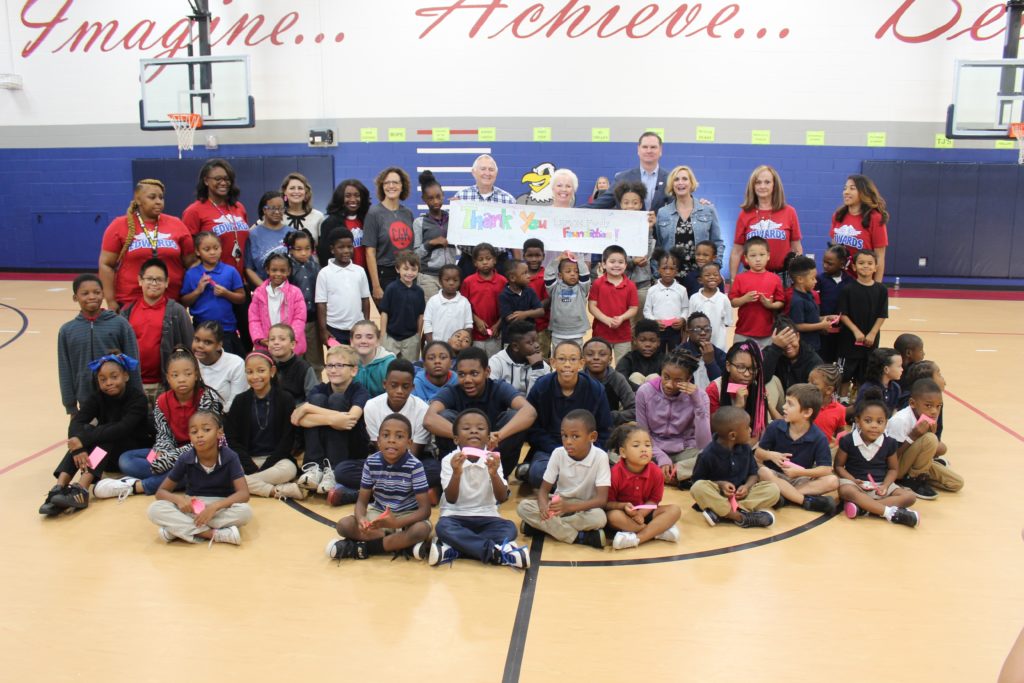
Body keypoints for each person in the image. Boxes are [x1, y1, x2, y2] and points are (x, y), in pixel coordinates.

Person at [39, 352, 150, 516]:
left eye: (114, 377)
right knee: (86, 434)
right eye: (103, 379)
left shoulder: (138, 398)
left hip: (131, 452)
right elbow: (77, 421)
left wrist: (82, 439)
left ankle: (82, 489)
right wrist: (77, 448)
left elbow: (122, 428)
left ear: (125, 376)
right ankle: (59, 488)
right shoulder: (98, 397)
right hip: (107, 456)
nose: (109, 383)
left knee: (100, 435)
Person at [114, 346, 223, 498]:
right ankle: (173, 478)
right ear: (168, 378)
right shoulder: (162, 400)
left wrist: (169, 459)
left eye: (188, 374)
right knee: (126, 460)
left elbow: (205, 439)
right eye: (175, 375)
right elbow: (164, 435)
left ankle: (138, 486)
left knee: (196, 470)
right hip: (172, 455)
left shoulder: (206, 397)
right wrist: (162, 452)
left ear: (196, 374)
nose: (182, 379)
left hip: (202, 454)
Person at [324, 414, 433, 562]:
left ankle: (365, 548)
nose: (392, 440)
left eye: (399, 436)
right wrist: (361, 518)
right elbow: (362, 502)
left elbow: (425, 510)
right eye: (386, 435)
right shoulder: (371, 462)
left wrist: (397, 523)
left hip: (407, 516)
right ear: (378, 441)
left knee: (421, 529)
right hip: (379, 514)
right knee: (344, 525)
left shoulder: (415, 466)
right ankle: (400, 544)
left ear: (409, 443)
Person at [432, 409, 530, 568]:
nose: (473, 431)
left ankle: (457, 549)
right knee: (443, 528)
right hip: (455, 517)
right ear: (456, 439)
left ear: (488, 437)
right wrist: (457, 473)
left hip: (487, 517)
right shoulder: (449, 460)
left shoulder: (493, 459)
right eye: (466, 428)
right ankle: (495, 552)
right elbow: (451, 498)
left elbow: (501, 498)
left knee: (510, 528)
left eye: (480, 428)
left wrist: (494, 474)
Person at [423, 347, 536, 479]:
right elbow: (429, 419)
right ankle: (454, 476)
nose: (467, 380)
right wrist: (463, 437)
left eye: (474, 373)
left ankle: (498, 477)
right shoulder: (452, 391)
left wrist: (498, 436)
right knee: (444, 416)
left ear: (487, 372)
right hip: (461, 457)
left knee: (514, 417)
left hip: (493, 449)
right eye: (462, 374)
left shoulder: (499, 387)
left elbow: (530, 412)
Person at [147, 410, 252, 545]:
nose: (200, 435)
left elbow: (244, 494)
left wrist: (215, 507)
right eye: (194, 432)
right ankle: (213, 534)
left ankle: (177, 530)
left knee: (245, 512)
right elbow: (160, 492)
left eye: (206, 430)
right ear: (189, 437)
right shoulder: (185, 458)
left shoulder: (230, 457)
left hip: (220, 506)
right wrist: (178, 499)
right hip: (194, 506)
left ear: (219, 433)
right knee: (154, 509)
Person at [521, 341, 613, 488]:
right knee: (538, 473)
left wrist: (589, 452)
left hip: (586, 450)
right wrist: (559, 451)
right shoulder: (542, 387)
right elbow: (532, 429)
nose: (567, 364)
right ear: (553, 362)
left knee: (610, 476)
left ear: (581, 363)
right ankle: (577, 485)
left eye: (573, 359)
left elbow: (605, 429)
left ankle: (571, 484)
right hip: (550, 450)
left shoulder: (596, 389)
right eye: (562, 359)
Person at [181, 160, 250, 348]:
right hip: (214, 288)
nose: (223, 183)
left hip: (238, 283)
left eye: (227, 179)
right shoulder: (194, 211)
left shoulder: (239, 207)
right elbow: (188, 252)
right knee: (216, 342)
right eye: (218, 178)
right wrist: (205, 276)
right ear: (205, 181)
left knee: (246, 340)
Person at [516, 409, 610, 549]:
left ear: (592, 437)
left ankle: (539, 527)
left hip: (584, 507)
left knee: (600, 518)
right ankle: (578, 537)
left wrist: (569, 507)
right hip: (558, 503)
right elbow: (543, 491)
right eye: (564, 436)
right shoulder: (558, 453)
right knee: (523, 507)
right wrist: (543, 507)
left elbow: (601, 500)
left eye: (575, 436)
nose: (568, 441)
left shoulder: (601, 457)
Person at [98, 178, 194, 310]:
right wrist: (111, 301)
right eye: (152, 197)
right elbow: (106, 264)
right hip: (130, 302)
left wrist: (188, 295)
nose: (158, 202)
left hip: (170, 302)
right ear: (138, 200)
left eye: (161, 197)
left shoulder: (176, 224)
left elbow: (191, 263)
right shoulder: (119, 225)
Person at [58, 274, 142, 416]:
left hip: (119, 401)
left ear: (103, 294)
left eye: (96, 292)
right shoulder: (67, 331)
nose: (92, 297)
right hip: (86, 402)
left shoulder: (120, 324)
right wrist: (70, 406)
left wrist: (137, 398)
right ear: (75, 297)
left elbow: (133, 364)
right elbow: (65, 370)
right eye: (85, 293)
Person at [835, 389, 919, 527]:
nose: (874, 425)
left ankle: (865, 508)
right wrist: (852, 480)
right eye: (868, 421)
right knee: (845, 490)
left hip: (880, 486)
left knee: (910, 497)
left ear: (886, 423)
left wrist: (885, 485)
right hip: (856, 487)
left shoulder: (889, 442)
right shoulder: (848, 440)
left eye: (880, 422)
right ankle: (888, 512)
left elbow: (893, 469)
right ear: (858, 421)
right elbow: (838, 466)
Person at [224, 352, 301, 500]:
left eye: (261, 371)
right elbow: (232, 439)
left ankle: (242, 484)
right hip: (247, 460)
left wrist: (266, 466)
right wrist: (249, 465)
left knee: (289, 469)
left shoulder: (285, 399)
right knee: (228, 470)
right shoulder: (240, 401)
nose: (255, 376)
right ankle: (278, 490)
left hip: (277, 461)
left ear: (272, 372)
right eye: (249, 372)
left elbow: (288, 439)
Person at [293, 344, 369, 493]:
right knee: (318, 398)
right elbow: (299, 420)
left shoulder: (360, 390)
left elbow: (350, 419)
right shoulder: (319, 389)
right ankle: (314, 468)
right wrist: (332, 420)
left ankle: (333, 471)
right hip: (325, 445)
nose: (333, 370)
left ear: (353, 370)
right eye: (330, 365)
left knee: (337, 399)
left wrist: (308, 408)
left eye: (340, 365)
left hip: (352, 449)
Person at [754, 383, 838, 513]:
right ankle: (804, 501)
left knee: (832, 481)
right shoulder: (775, 426)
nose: (784, 407)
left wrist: (800, 473)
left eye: (790, 404)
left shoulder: (818, 436)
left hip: (799, 480)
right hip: (774, 476)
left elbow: (826, 469)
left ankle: (784, 497)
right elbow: (758, 453)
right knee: (762, 472)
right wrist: (771, 455)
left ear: (807, 412)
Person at [690, 406, 780, 528]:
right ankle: (740, 517)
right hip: (718, 496)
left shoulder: (746, 449)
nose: (750, 430)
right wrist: (720, 484)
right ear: (732, 435)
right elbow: (696, 482)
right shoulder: (707, 455)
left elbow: (753, 474)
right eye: (747, 427)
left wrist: (747, 487)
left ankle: (721, 512)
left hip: (740, 498)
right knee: (698, 488)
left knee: (773, 489)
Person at [635, 348, 712, 487]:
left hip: (685, 451)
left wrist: (697, 403)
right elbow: (642, 434)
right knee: (621, 452)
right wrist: (661, 456)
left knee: (711, 457)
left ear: (688, 379)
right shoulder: (645, 392)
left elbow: (704, 443)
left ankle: (660, 474)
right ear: (661, 373)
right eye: (666, 377)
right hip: (651, 448)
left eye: (678, 380)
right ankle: (675, 475)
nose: (669, 384)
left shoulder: (700, 396)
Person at [120, 258, 193, 406]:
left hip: (166, 386)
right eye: (149, 279)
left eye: (159, 279)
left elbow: (189, 347)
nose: (154, 283)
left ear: (167, 282)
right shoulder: (126, 312)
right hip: (135, 386)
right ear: (140, 280)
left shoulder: (177, 312)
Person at [604, 424, 682, 549]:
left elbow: (654, 500)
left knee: (675, 510)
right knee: (612, 516)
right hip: (624, 516)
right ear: (623, 452)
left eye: (647, 445)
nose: (644, 449)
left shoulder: (656, 472)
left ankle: (637, 539)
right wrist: (624, 507)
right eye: (636, 445)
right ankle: (656, 531)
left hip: (645, 514)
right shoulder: (614, 474)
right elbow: (607, 504)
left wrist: (641, 514)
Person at [885, 378, 964, 498]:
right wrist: (913, 436)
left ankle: (920, 474)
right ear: (912, 403)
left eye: (938, 406)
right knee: (930, 439)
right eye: (928, 405)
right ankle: (913, 480)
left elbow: (935, 448)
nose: (934, 411)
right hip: (893, 468)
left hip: (911, 462)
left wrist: (930, 441)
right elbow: (891, 457)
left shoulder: (927, 415)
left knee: (956, 483)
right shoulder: (901, 420)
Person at [730, 165, 803, 282]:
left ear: (775, 185)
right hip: (750, 276)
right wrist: (733, 279)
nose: (762, 186)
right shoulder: (745, 214)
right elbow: (737, 251)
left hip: (782, 277)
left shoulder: (789, 212)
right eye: (758, 182)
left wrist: (798, 277)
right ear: (752, 186)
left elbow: (796, 248)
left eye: (767, 182)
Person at [180, 231, 246, 357]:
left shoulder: (230, 271)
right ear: (198, 252)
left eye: (216, 248)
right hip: (201, 331)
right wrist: (198, 291)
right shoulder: (191, 274)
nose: (212, 252)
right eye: (207, 249)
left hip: (226, 330)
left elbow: (241, 298)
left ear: (221, 249)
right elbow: (184, 302)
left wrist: (226, 293)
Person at [450, 154, 518, 271]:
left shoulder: (508, 200)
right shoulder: (461, 197)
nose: (487, 173)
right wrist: (455, 211)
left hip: (500, 262)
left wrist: (517, 264)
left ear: (496, 174)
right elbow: (453, 230)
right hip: (469, 261)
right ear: (473, 172)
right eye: (483, 169)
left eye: (491, 170)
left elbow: (516, 236)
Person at [654, 165, 724, 277]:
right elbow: (658, 245)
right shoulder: (663, 213)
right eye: (676, 179)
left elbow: (717, 243)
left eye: (685, 179)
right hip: (671, 277)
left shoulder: (707, 210)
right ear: (672, 184)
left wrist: (715, 266)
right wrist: (657, 273)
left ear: (692, 183)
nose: (680, 182)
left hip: (701, 276)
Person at [838, 250, 888, 392]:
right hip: (849, 340)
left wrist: (872, 333)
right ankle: (843, 400)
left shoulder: (881, 290)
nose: (865, 266)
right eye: (861, 263)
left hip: (870, 341)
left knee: (865, 374)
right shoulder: (847, 289)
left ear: (876, 267)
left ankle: (858, 398)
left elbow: (882, 314)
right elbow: (843, 314)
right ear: (854, 267)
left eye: (870, 263)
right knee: (845, 374)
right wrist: (855, 331)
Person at [364, 167, 415, 304]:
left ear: (402, 186)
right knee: (391, 321)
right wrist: (376, 286)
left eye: (395, 182)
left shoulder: (408, 213)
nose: (391, 186)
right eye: (386, 183)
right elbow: (370, 253)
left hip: (407, 273)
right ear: (382, 186)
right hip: (384, 275)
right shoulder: (373, 214)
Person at [315, 228, 371, 346]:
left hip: (357, 328)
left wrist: (366, 324)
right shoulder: (324, 273)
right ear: (332, 249)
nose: (346, 251)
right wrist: (323, 330)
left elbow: (365, 300)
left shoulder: (360, 271)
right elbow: (321, 304)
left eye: (349, 247)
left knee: (358, 362)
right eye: (341, 247)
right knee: (339, 362)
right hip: (334, 329)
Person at [706, 340, 770, 443]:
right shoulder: (714, 389)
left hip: (751, 443)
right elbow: (714, 429)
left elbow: (758, 429)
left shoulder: (757, 386)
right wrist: (738, 407)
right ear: (728, 366)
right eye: (741, 367)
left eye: (753, 368)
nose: (747, 374)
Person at [590, 131, 670, 212]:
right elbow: (601, 204)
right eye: (645, 147)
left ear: (660, 150)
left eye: (653, 147)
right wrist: (577, 212)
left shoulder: (670, 179)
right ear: (638, 149)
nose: (649, 151)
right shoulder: (622, 178)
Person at [830, 174, 889, 281]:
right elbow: (833, 249)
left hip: (862, 281)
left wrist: (877, 287)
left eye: (852, 188)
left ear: (863, 192)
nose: (846, 192)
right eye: (845, 188)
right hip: (839, 280)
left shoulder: (875, 218)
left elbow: (879, 256)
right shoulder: (838, 215)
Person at [729, 237, 784, 348]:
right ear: (746, 258)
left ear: (768, 256)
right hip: (743, 332)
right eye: (753, 256)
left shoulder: (775, 279)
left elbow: (781, 302)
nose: (758, 259)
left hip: (767, 333)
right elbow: (733, 302)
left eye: (762, 255)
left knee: (766, 363)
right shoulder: (740, 278)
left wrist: (770, 305)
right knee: (740, 361)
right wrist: (744, 299)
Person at [248, 252, 307, 355]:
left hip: (290, 347)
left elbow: (299, 319)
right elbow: (254, 319)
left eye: (282, 270)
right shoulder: (259, 293)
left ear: (289, 271)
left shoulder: (295, 292)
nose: (278, 274)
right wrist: (261, 339)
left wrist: (288, 339)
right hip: (267, 345)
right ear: (267, 270)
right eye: (274, 270)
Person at [589, 245, 640, 362]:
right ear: (603, 264)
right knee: (600, 364)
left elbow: (633, 308)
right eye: (612, 262)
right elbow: (592, 306)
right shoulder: (597, 283)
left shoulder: (631, 285)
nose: (616, 265)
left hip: (623, 335)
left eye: (621, 262)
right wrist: (606, 319)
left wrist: (622, 318)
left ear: (626, 265)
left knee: (623, 365)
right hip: (601, 333)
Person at [615, 181, 656, 323]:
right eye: (626, 203)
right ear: (621, 204)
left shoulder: (646, 226)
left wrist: (649, 230)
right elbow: (612, 257)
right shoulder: (614, 227)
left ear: (640, 204)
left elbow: (648, 255)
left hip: (642, 284)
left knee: (640, 324)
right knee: (623, 323)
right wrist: (632, 262)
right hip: (619, 283)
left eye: (635, 203)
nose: (630, 206)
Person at [412, 170, 456, 301]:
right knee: (431, 315)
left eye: (438, 196)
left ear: (443, 195)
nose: (435, 201)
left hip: (450, 275)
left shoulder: (453, 218)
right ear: (424, 199)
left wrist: (461, 209)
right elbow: (415, 255)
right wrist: (431, 243)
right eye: (430, 198)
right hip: (428, 277)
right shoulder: (419, 222)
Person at [285, 229, 323, 376]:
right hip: (293, 322)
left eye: (307, 249)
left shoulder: (315, 266)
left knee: (315, 359)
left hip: (313, 320)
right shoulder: (287, 268)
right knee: (295, 358)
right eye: (298, 249)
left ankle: (317, 388)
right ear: (290, 249)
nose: (303, 253)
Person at [378, 250, 425, 361]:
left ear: (418, 270)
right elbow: (384, 313)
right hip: (391, 337)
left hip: (411, 339)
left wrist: (418, 335)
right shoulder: (391, 288)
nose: (409, 273)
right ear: (397, 269)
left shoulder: (419, 291)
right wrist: (383, 335)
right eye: (406, 269)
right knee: (388, 369)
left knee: (409, 369)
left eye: (414, 269)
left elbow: (420, 315)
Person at [461, 242, 507, 356]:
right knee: (477, 363)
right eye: (481, 259)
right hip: (475, 335)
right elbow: (463, 306)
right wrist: (476, 319)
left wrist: (498, 324)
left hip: (496, 334)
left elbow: (508, 306)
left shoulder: (503, 281)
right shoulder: (468, 282)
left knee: (493, 366)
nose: (485, 262)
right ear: (475, 263)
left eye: (488, 258)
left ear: (495, 260)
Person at [191, 321, 246, 411]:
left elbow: (236, 403)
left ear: (219, 345)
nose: (200, 345)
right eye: (197, 340)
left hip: (226, 419)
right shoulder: (188, 363)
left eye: (207, 342)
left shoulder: (236, 364)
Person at [787, 255, 838, 353]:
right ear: (800, 279)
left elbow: (810, 318)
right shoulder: (797, 300)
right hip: (804, 348)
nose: (816, 281)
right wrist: (821, 326)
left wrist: (826, 318)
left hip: (814, 344)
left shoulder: (809, 294)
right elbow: (798, 325)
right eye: (813, 278)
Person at [244, 191, 293, 288]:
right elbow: (248, 268)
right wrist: (266, 289)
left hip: (289, 292)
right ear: (264, 210)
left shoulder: (292, 234)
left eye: (281, 208)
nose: (277, 212)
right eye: (272, 208)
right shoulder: (253, 235)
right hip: (263, 292)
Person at [762, 318, 825, 393]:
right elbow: (762, 380)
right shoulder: (771, 352)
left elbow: (817, 393)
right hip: (780, 400)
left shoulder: (813, 360)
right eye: (784, 343)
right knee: (771, 382)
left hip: (802, 400)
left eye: (791, 340)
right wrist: (775, 349)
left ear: (798, 336)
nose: (788, 346)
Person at [581, 338, 635, 426]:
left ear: (610, 359)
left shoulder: (617, 378)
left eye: (602, 354)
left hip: (610, 427)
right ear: (583, 359)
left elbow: (635, 409)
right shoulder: (577, 379)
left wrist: (611, 416)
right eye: (590, 354)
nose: (596, 357)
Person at [544, 251, 591, 350]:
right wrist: (558, 259)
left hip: (577, 332)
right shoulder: (554, 288)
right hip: (558, 333)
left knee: (576, 358)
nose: (573, 274)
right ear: (560, 275)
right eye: (568, 271)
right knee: (559, 358)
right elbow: (548, 274)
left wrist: (578, 259)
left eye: (576, 271)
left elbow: (585, 274)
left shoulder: (582, 289)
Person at [317, 179, 371, 268]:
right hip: (341, 275)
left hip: (364, 275)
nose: (353, 200)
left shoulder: (367, 220)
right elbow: (324, 255)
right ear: (340, 198)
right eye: (348, 196)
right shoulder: (330, 223)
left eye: (357, 195)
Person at [488, 320, 550, 395]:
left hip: (531, 406)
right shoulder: (496, 363)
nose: (537, 345)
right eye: (530, 342)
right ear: (515, 346)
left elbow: (539, 400)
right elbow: (491, 396)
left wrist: (537, 370)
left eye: (536, 340)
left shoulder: (542, 366)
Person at [643, 249, 688, 352]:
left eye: (672, 269)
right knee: (658, 355)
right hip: (658, 330)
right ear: (658, 269)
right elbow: (647, 310)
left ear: (677, 271)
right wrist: (654, 321)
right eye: (664, 268)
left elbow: (685, 308)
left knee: (675, 354)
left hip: (675, 331)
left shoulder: (682, 290)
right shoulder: (652, 290)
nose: (668, 272)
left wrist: (682, 319)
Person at [816, 244, 853, 363]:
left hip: (843, 331)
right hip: (824, 330)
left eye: (830, 263)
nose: (825, 266)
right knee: (823, 361)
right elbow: (816, 304)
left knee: (838, 363)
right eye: (824, 262)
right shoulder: (819, 280)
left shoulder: (850, 281)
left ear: (842, 263)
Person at [266, 323, 317, 407]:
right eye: (272, 339)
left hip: (297, 411)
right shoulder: (265, 365)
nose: (276, 342)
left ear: (292, 344)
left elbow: (313, 398)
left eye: (282, 339)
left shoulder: (304, 367)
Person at [423, 263, 473, 348]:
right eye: (447, 280)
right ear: (440, 281)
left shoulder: (464, 302)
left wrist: (461, 344)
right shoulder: (433, 301)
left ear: (460, 282)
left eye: (455, 280)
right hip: (436, 346)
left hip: (457, 348)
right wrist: (431, 345)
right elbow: (427, 324)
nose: (451, 283)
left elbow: (468, 325)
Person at [498, 260, 544, 345]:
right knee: (509, 358)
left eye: (528, 272)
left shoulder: (530, 291)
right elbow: (510, 318)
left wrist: (525, 314)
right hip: (511, 340)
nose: (529, 276)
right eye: (525, 273)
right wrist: (532, 313)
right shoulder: (504, 295)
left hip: (529, 338)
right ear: (512, 278)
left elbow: (541, 311)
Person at [688, 262, 732, 351]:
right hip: (697, 344)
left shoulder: (724, 299)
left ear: (720, 279)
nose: (712, 277)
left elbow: (727, 322)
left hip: (718, 344)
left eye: (715, 275)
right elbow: (690, 321)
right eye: (707, 275)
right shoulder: (694, 298)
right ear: (700, 280)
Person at [678, 312, 727, 390]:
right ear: (688, 332)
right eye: (697, 329)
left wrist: (710, 363)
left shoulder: (720, 355)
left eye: (707, 329)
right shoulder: (679, 353)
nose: (703, 333)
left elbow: (722, 387)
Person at [615, 319, 664, 390]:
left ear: (658, 342)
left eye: (652, 341)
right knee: (635, 376)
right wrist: (642, 391)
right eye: (642, 340)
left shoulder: (664, 359)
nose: (647, 344)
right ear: (634, 341)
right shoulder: (628, 359)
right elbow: (619, 379)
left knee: (654, 377)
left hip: (657, 398)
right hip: (634, 397)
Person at [351, 320, 396, 398]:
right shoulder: (346, 362)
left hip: (380, 407)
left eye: (369, 337)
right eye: (358, 337)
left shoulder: (389, 364)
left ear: (378, 341)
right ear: (351, 341)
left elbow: (393, 396)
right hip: (353, 407)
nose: (363, 341)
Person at [522, 238, 551, 357]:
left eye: (537, 255)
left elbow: (548, 299)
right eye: (530, 255)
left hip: (542, 327)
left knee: (541, 359)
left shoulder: (547, 276)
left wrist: (529, 312)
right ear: (523, 256)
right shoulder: (519, 275)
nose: (534, 259)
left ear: (543, 256)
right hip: (522, 327)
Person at [808, 363, 847, 448]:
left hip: (824, 451)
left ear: (829, 390)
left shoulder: (840, 410)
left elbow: (841, 432)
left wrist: (838, 443)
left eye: (814, 384)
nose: (808, 386)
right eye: (808, 381)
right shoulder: (805, 403)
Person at [281, 172, 324, 242]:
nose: (296, 191)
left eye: (300, 188)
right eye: (292, 188)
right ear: (285, 191)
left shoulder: (318, 217)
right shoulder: (277, 216)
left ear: (306, 192)